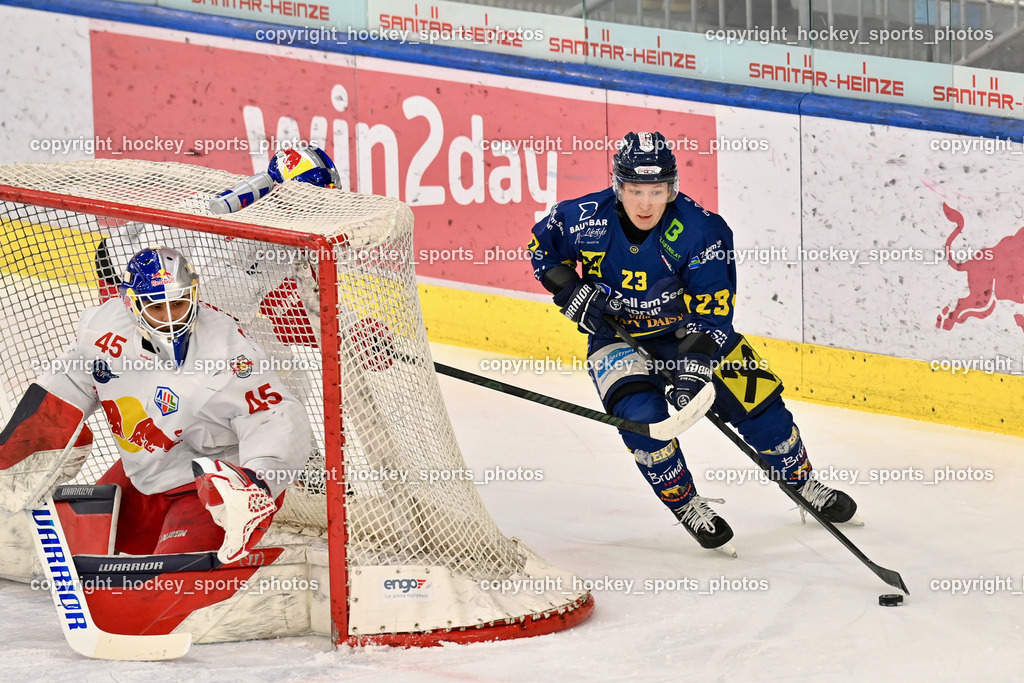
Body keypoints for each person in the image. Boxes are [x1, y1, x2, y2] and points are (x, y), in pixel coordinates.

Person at [527, 131, 859, 555]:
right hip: (615, 339)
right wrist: (570, 289)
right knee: (643, 422)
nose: (645, 203)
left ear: (672, 188)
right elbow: (542, 250)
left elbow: (714, 311)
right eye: (635, 190)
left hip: (691, 334)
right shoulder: (581, 219)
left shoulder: (702, 231)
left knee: (762, 409)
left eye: (656, 190)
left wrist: (694, 367)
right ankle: (685, 504)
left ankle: (802, 481)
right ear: (618, 186)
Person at [0, 245, 311, 564]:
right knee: (60, 550)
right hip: (145, 473)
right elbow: (71, 379)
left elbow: (276, 417)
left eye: (177, 304)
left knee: (176, 574)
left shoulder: (227, 353)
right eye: (156, 306)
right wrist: (23, 447)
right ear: (131, 303)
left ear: (193, 296)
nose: (170, 318)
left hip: (210, 488)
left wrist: (256, 483)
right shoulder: (104, 327)